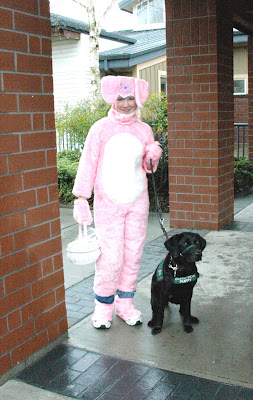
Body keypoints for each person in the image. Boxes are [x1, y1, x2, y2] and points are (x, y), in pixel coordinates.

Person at [72, 75, 162, 329]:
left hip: (137, 201)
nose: (125, 104)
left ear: (138, 98)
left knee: (133, 255)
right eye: (120, 98)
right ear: (112, 98)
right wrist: (81, 198)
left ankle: (125, 304)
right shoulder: (100, 128)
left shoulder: (144, 130)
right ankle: (103, 307)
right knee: (110, 257)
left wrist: (152, 155)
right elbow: (87, 163)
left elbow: (147, 168)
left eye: (130, 98)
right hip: (108, 203)